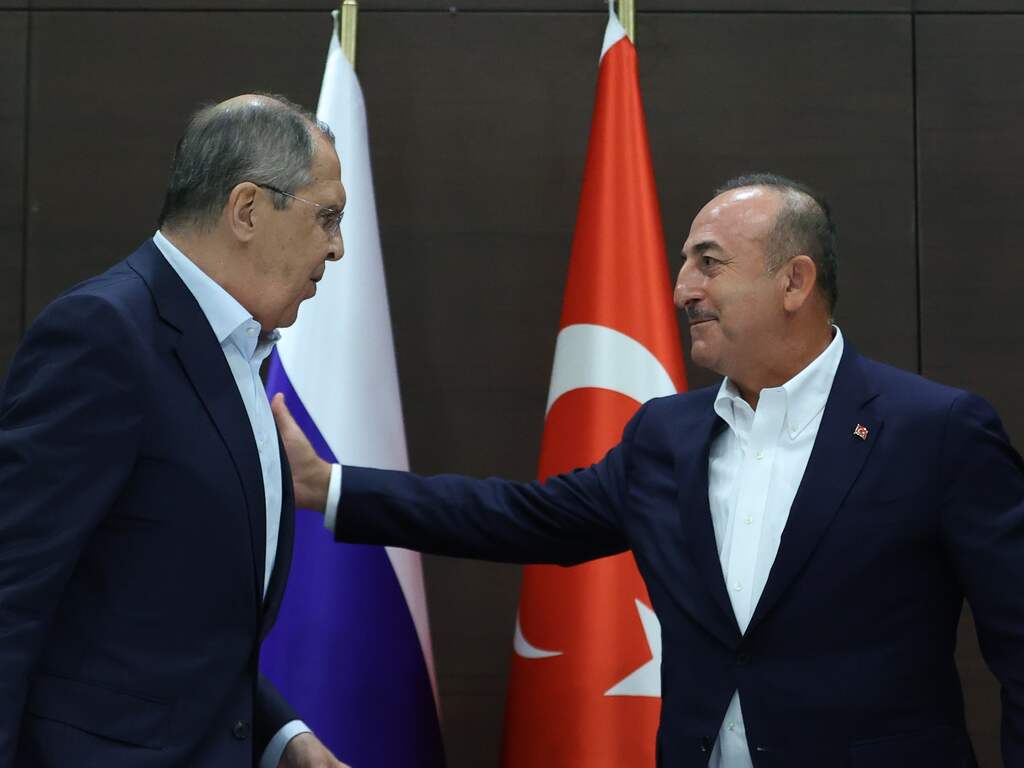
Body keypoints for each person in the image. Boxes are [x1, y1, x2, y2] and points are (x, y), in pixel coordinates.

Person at [274, 173, 1024, 767]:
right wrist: (329, 486)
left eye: (709, 263)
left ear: (795, 282)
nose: (681, 289)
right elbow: (521, 519)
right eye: (684, 262)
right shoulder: (668, 437)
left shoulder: (934, 432)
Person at [0, 94, 348, 768]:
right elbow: (13, 590)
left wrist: (283, 736)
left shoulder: (240, 347)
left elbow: (172, 619)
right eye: (326, 217)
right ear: (247, 210)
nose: (337, 248)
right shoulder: (104, 335)